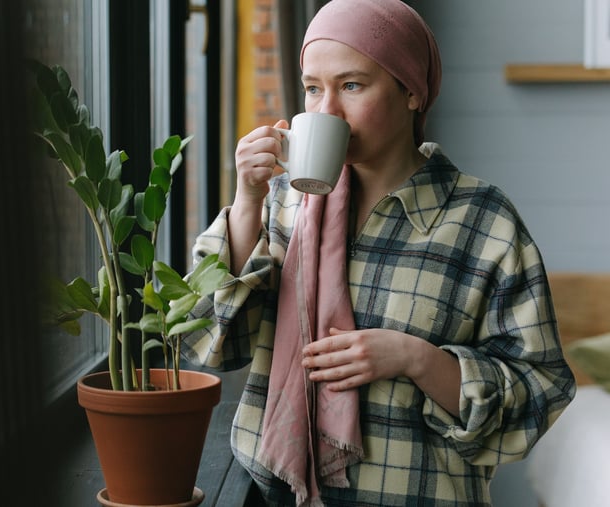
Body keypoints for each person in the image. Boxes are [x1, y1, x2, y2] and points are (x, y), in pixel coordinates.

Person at [181, 0, 577, 505]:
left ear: (410, 91)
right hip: (270, 493)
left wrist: (416, 359)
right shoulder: (281, 202)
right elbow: (207, 340)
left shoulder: (484, 221)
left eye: (351, 85)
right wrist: (245, 203)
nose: (325, 110)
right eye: (311, 88)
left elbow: (539, 388)